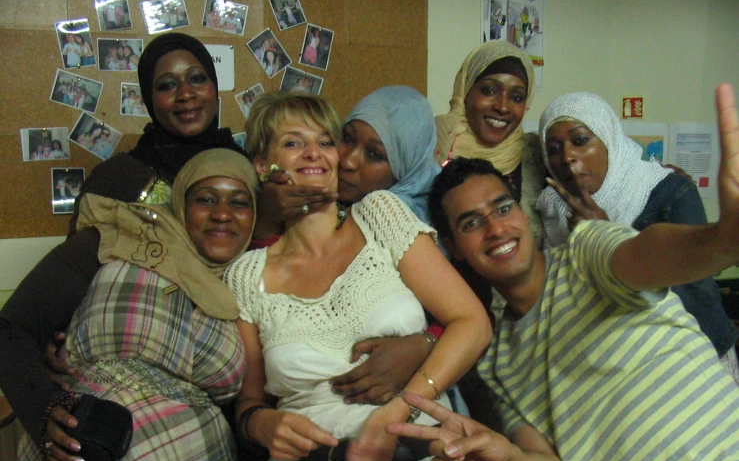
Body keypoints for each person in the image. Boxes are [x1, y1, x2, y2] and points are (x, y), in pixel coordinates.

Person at [393, 83, 739, 461]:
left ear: (522, 212)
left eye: (502, 208)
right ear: (454, 249)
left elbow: (648, 254)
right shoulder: (497, 360)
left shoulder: (585, 250)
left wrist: (720, 241)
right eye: (472, 223)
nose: (496, 228)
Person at [224, 92, 502, 461]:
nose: (315, 153)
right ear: (262, 164)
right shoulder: (245, 277)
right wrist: (262, 424)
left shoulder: (380, 215)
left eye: (325, 141)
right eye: (294, 143)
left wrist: (401, 405)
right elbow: (249, 402)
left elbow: (472, 322)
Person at [1, 148, 259, 461]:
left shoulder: (252, 283)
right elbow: (10, 329)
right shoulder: (120, 240)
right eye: (205, 198)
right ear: (181, 203)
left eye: (239, 202)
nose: (222, 213)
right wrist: (44, 406)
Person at [255, 86, 447, 409]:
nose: (348, 161)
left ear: (404, 169)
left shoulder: (402, 219)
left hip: (419, 403)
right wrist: (267, 220)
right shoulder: (298, 218)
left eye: (374, 155)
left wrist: (426, 343)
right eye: (345, 139)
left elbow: (469, 318)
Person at [536, 91, 739, 362]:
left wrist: (606, 237)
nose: (568, 156)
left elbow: (697, 301)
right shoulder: (551, 208)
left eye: (581, 140)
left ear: (610, 140)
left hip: (692, 360)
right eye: (554, 149)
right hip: (615, 365)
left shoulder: (669, 192)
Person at [68, 32, 245, 236]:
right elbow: (77, 264)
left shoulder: (244, 168)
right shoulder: (114, 179)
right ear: (148, 99)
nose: (186, 94)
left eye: (197, 78)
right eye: (167, 85)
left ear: (214, 86)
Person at [435, 40, 546, 249]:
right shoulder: (432, 143)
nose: (503, 107)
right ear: (466, 91)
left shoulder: (537, 154)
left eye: (516, 97)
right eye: (489, 91)